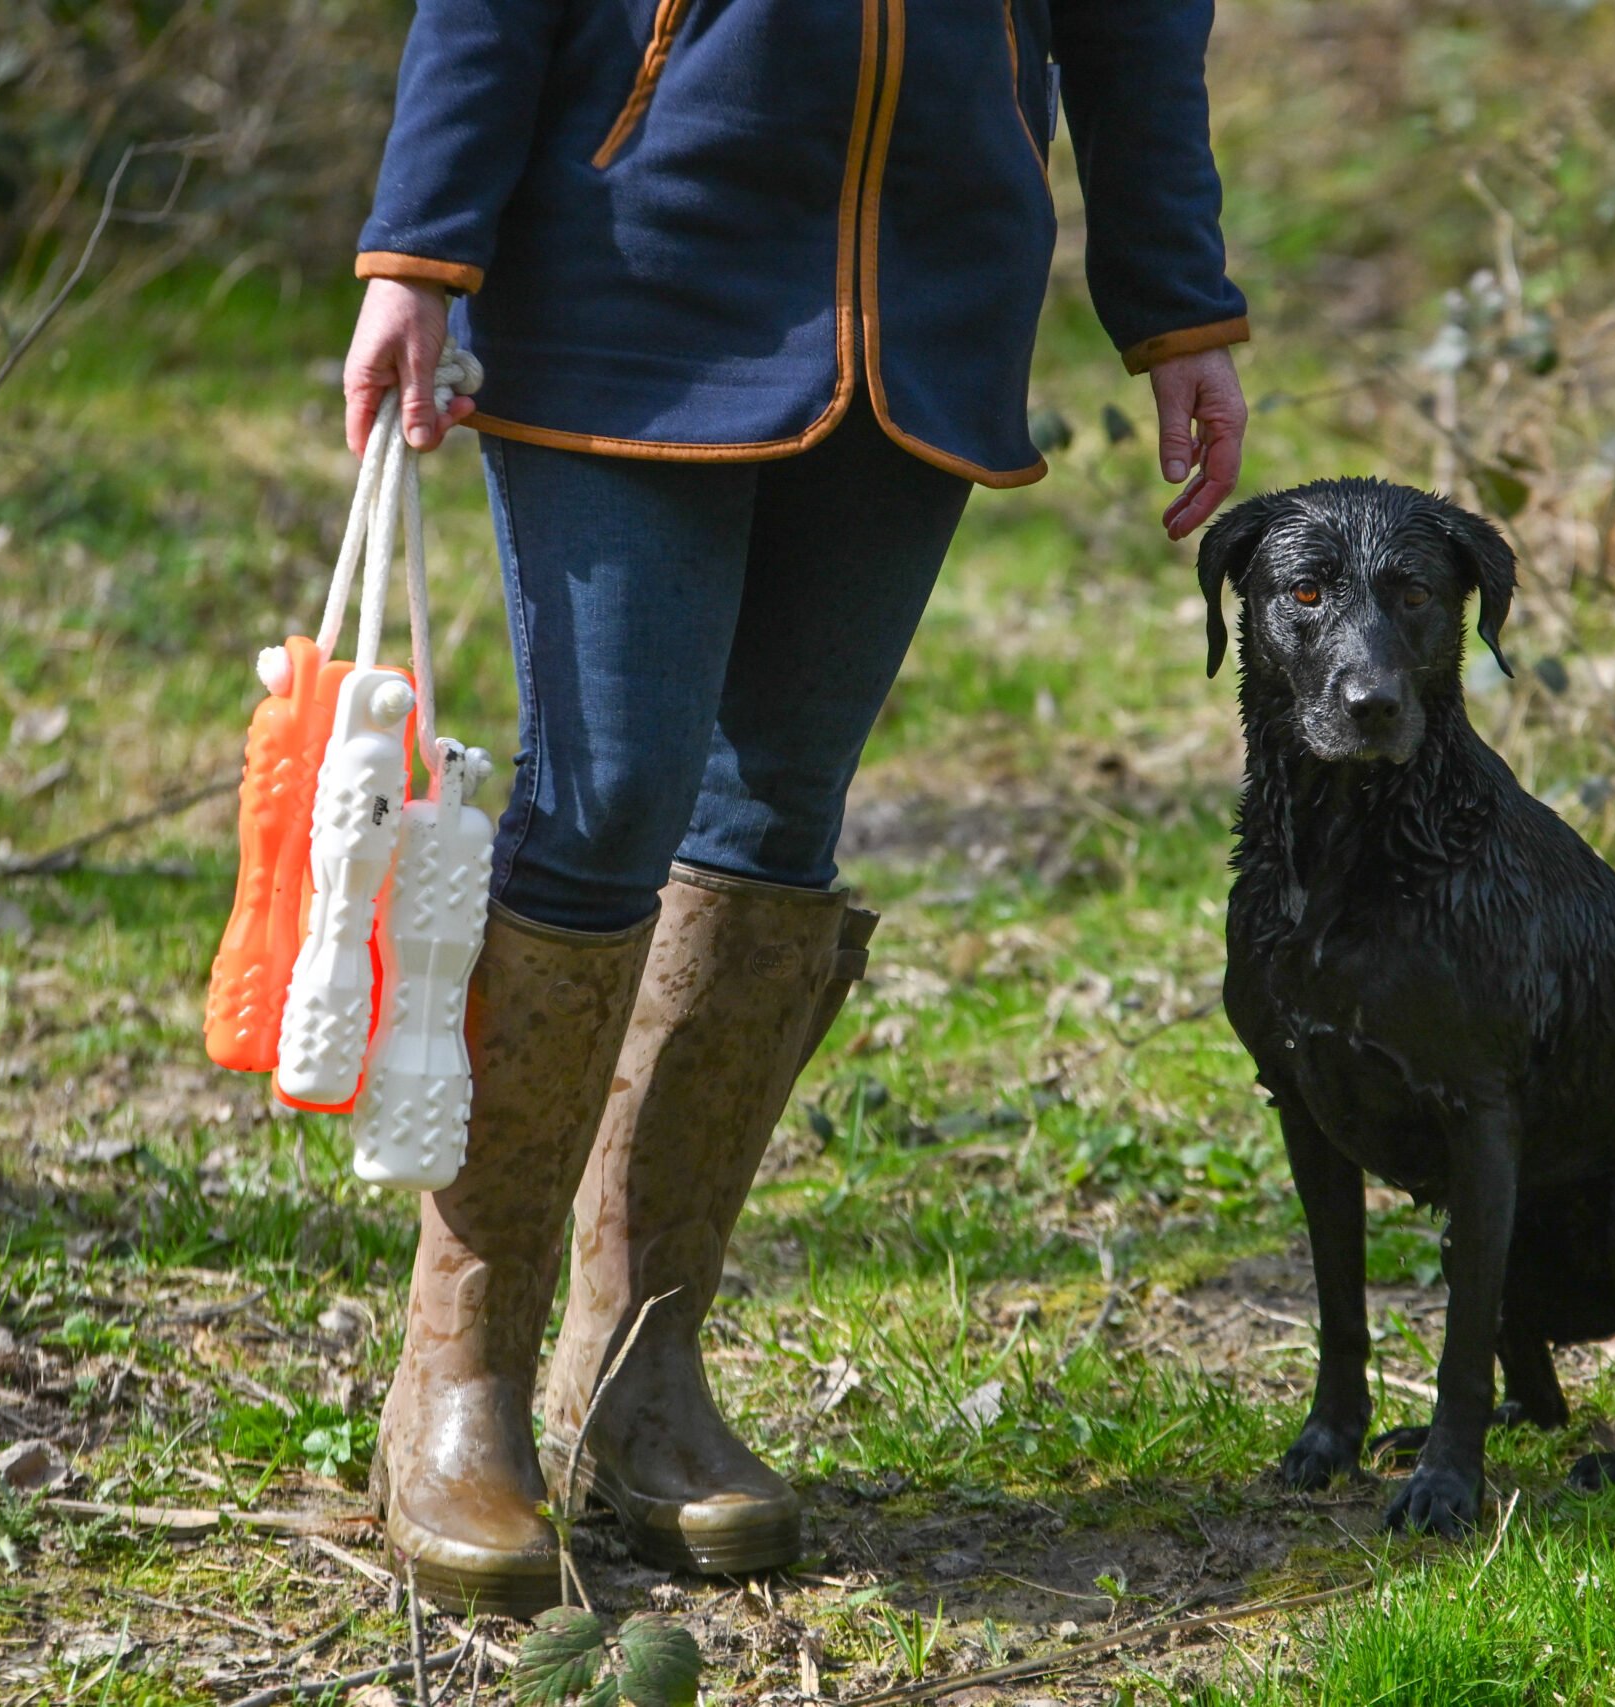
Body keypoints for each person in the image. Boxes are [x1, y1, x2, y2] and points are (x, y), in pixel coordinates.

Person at [341, 0, 1251, 1614]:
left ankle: (637, 1374)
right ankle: (458, 1372)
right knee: (607, 800)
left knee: (773, 834)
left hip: (931, 298)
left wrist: (1177, 305)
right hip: (630, 263)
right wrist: (420, 241)